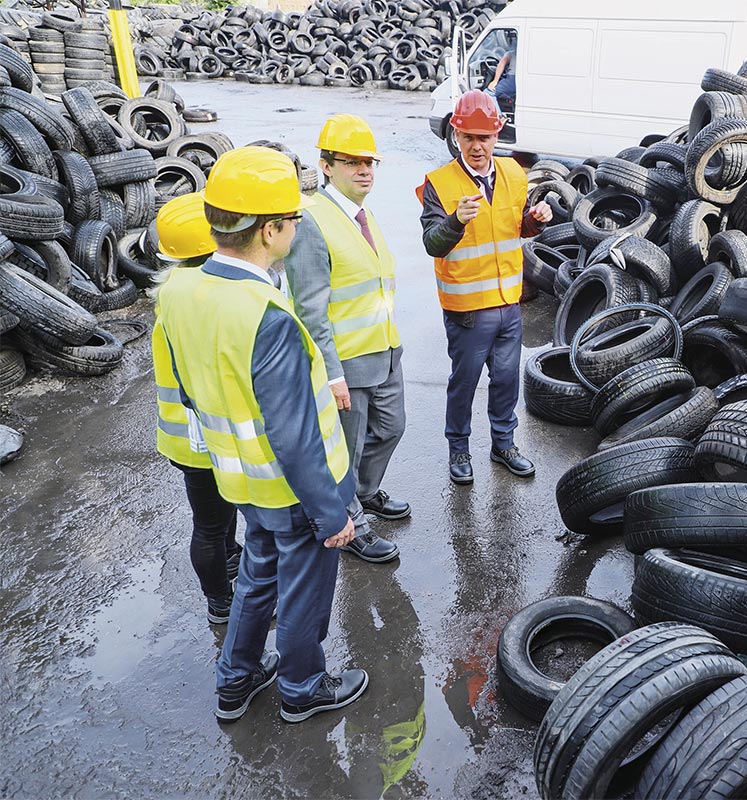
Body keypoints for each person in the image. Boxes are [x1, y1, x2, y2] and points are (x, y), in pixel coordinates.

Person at [156, 146, 368, 724]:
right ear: (270, 230)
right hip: (292, 487)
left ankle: (236, 679)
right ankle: (302, 687)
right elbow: (294, 435)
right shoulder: (266, 314)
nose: (298, 226)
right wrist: (331, 513)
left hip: (238, 479)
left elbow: (190, 388)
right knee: (303, 591)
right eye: (293, 218)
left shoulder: (179, 291)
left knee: (256, 577)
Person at [284, 114, 405, 565]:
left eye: (369, 162)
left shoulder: (361, 214)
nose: (364, 170)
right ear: (326, 166)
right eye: (352, 162)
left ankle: (366, 493)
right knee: (345, 452)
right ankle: (352, 521)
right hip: (348, 364)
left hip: (385, 352)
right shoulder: (313, 222)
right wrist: (332, 374)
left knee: (392, 428)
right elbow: (310, 309)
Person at [417, 89, 553, 485]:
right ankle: (459, 449)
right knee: (464, 384)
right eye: (469, 137)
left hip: (509, 305)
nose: (477, 146)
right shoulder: (440, 184)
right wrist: (455, 220)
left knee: (507, 379)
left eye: (485, 137)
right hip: (467, 311)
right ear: (456, 135)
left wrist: (535, 220)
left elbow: (514, 227)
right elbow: (432, 244)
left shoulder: (513, 173)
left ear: (497, 136)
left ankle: (503, 444)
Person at [150, 193, 245, 625]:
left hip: (184, 434)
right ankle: (221, 603)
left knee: (218, 516)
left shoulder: (174, 289)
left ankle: (229, 558)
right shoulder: (203, 297)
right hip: (202, 436)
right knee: (210, 524)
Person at [486, 48, 516, 113]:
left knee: (488, 93)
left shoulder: (512, 53)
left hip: (512, 80)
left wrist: (495, 81)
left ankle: (500, 116)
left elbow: (501, 64)